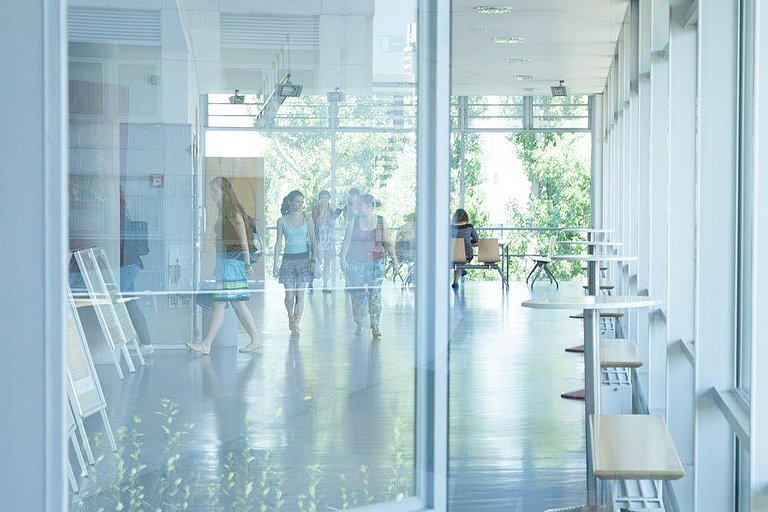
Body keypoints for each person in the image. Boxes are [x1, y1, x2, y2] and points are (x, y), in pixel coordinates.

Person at [187, 177, 261, 354]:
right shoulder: (225, 212)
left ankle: (207, 344)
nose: (212, 195)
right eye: (211, 191)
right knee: (230, 303)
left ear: (225, 192)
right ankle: (252, 339)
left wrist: (247, 263)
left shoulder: (233, 213)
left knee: (227, 302)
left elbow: (243, 240)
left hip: (232, 263)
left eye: (215, 191)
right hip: (227, 262)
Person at [339, 194, 399, 339]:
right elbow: (347, 240)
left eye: (360, 205)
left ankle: (375, 324)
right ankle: (359, 323)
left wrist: (395, 261)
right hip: (357, 263)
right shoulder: (354, 221)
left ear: (369, 206)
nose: (357, 208)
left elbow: (388, 243)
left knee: (375, 295)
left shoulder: (381, 221)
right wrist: (342, 258)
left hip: (375, 263)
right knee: (358, 295)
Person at [273, 190, 318, 335]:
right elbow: (278, 242)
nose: (300, 205)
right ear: (290, 202)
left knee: (300, 294)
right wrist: (275, 263)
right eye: (297, 201)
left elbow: (313, 240)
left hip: (303, 259)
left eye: (301, 202)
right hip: (288, 260)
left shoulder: (307, 218)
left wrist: (313, 260)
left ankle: (296, 323)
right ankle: (290, 315)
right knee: (289, 295)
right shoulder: (282, 221)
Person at [120, 189, 153, 354]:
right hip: (131, 265)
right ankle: (147, 344)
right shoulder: (123, 213)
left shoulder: (115, 214)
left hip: (126, 265)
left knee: (112, 302)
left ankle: (120, 347)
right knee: (130, 304)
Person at [311, 190, 342, 293]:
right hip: (319, 237)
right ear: (319, 198)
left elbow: (332, 223)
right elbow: (317, 222)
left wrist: (331, 216)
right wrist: (323, 211)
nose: (324, 200)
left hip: (329, 238)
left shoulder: (332, 209)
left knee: (327, 262)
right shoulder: (315, 208)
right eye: (322, 197)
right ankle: (311, 281)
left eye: (326, 197)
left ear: (329, 198)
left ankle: (325, 285)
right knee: (317, 260)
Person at [451, 208, 479, 289]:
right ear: (466, 217)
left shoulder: (450, 228)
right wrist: (468, 241)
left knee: (458, 260)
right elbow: (476, 240)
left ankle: (456, 281)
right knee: (461, 260)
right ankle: (462, 269)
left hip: (453, 255)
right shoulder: (469, 227)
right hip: (467, 255)